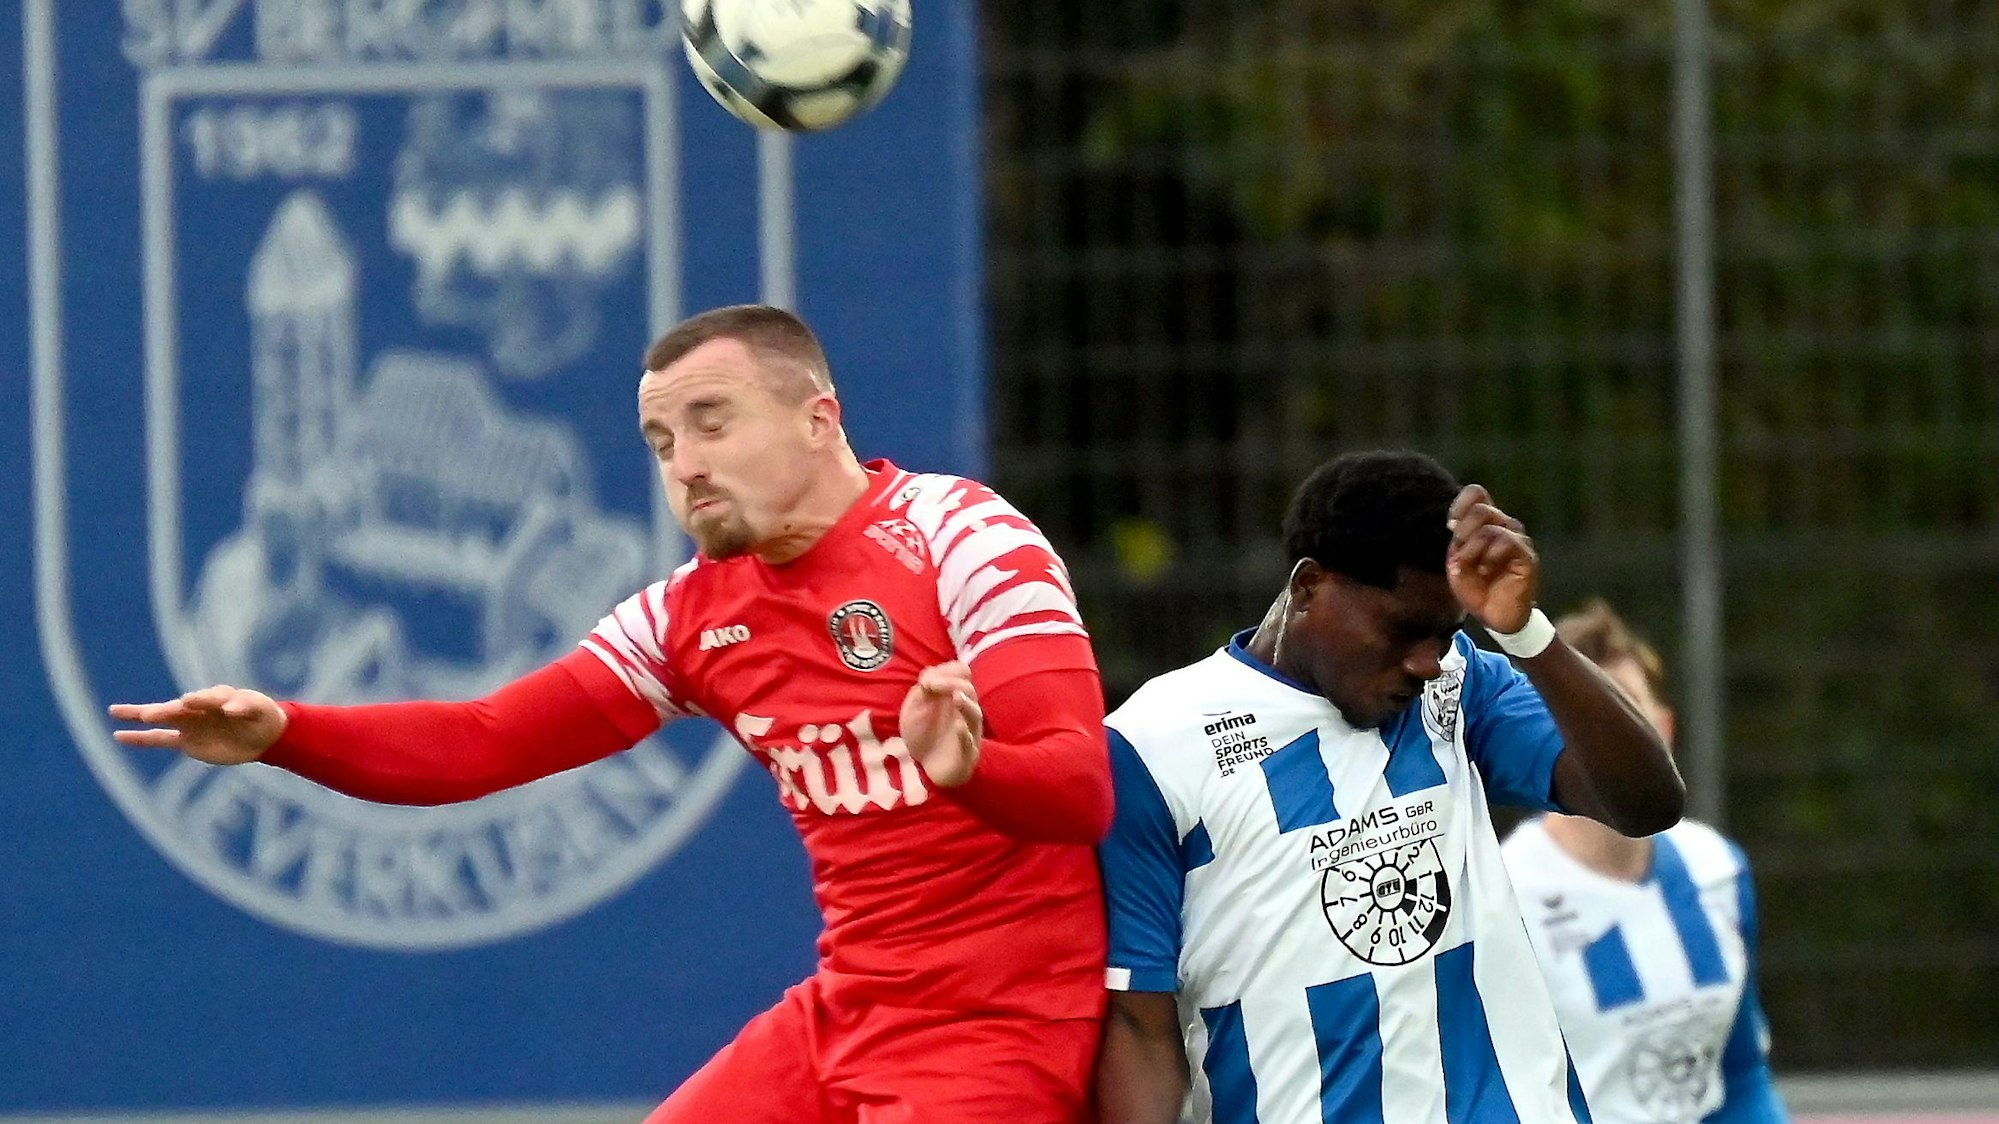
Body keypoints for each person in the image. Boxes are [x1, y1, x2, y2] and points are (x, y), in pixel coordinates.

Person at [110, 304, 1114, 1123]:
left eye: (712, 420)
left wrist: (968, 767)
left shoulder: (961, 536)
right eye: (661, 439)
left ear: (820, 417)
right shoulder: (689, 613)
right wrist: (287, 731)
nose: (683, 462)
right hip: (848, 1008)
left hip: (996, 1025)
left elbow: (1079, 792)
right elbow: (483, 741)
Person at [1094, 449, 1687, 1124]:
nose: (1425, 662)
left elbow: (1647, 803)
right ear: (1309, 586)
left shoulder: (1462, 687)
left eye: (1444, 634)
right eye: (1404, 631)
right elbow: (1139, 1026)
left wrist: (1523, 632)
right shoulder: (1151, 746)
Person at [1502, 602, 1788, 1124]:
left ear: (1665, 727)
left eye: (1626, 709)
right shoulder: (1503, 895)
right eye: (1585, 717)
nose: (1607, 736)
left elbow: (1740, 1075)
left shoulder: (1717, 869)